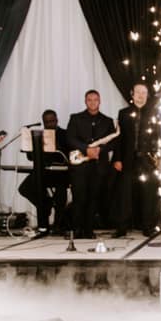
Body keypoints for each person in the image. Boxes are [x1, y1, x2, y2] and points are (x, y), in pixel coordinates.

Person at [111, 82, 161, 237]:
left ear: (147, 95)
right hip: (127, 159)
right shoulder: (123, 113)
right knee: (124, 194)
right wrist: (117, 159)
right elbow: (119, 138)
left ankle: (148, 226)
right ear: (132, 94)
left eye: (144, 93)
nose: (141, 96)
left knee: (148, 193)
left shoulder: (153, 114)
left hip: (147, 160)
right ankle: (122, 227)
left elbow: (157, 137)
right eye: (138, 92)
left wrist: (157, 157)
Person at [67, 89, 115, 239]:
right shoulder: (75, 118)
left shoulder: (108, 121)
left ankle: (88, 230)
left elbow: (113, 142)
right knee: (79, 197)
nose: (93, 102)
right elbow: (70, 138)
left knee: (93, 198)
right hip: (80, 165)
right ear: (85, 101)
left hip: (99, 166)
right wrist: (86, 149)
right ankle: (76, 229)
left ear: (100, 101)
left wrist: (99, 150)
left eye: (95, 100)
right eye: (89, 100)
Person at [18, 109, 70, 234]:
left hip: (60, 172)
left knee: (61, 191)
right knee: (24, 188)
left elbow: (68, 155)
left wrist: (56, 146)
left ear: (57, 120)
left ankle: (58, 225)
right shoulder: (39, 135)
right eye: (47, 122)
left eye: (52, 121)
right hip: (43, 171)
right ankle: (46, 204)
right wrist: (33, 148)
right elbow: (30, 157)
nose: (50, 124)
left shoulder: (65, 134)